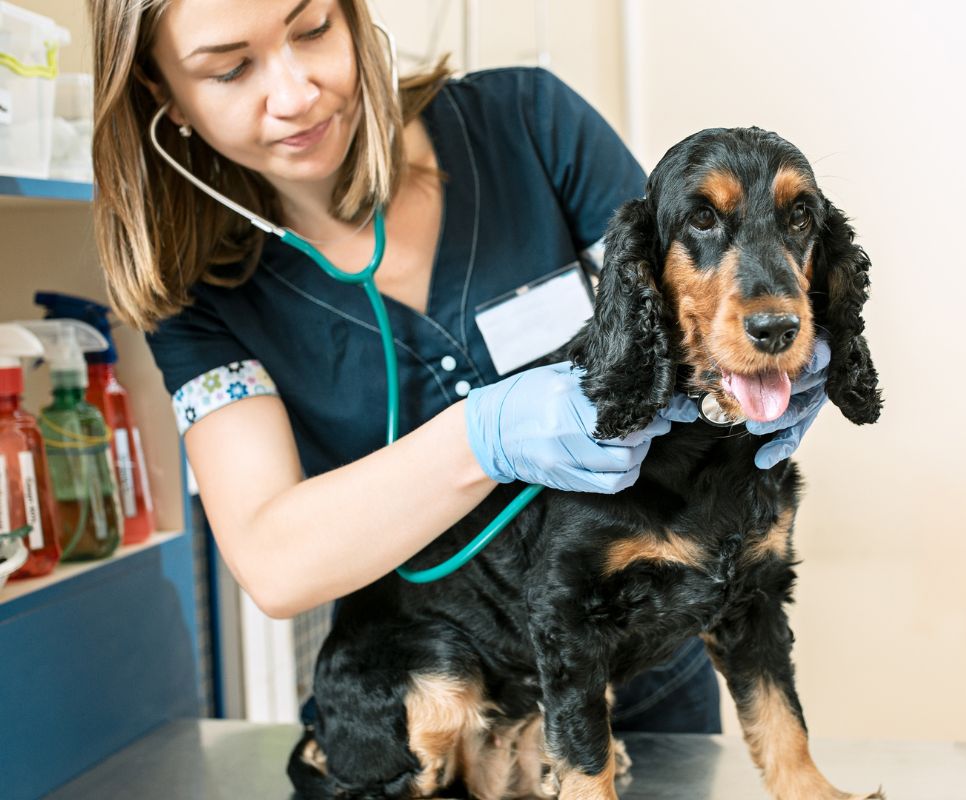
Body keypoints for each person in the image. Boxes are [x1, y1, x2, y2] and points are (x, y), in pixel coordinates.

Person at [88, 0, 828, 734]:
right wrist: (482, 437)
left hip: (639, 682)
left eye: (312, 29)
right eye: (229, 68)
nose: (294, 93)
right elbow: (275, 566)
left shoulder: (529, 125)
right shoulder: (195, 292)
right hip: (436, 697)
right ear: (161, 91)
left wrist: (783, 355)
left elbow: (688, 292)